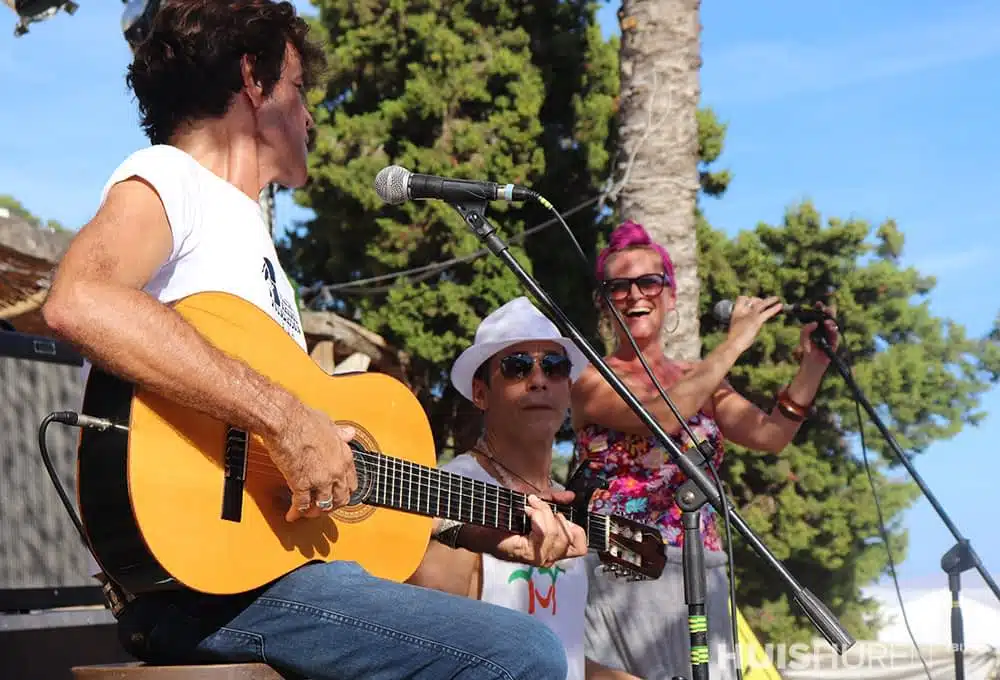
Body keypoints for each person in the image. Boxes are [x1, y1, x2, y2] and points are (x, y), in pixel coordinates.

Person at [42, 2, 587, 678]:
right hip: (207, 592)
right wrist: (285, 416)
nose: (310, 117)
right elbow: (81, 300)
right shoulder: (171, 177)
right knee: (523, 653)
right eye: (300, 90)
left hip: (262, 577)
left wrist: (471, 525)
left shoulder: (248, 239)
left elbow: (309, 482)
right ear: (253, 79)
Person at [568, 221, 839, 680]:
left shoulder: (702, 378)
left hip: (703, 563)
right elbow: (663, 415)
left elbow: (771, 434)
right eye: (619, 286)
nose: (636, 295)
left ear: (670, 296)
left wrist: (814, 364)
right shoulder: (589, 378)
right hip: (623, 563)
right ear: (602, 303)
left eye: (650, 282)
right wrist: (735, 342)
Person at [407, 297, 641, 680]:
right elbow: (430, 641)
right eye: (517, 368)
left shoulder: (566, 505)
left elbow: (564, 654)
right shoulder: (451, 487)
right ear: (480, 394)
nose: (539, 380)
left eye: (554, 366)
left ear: (567, 389)